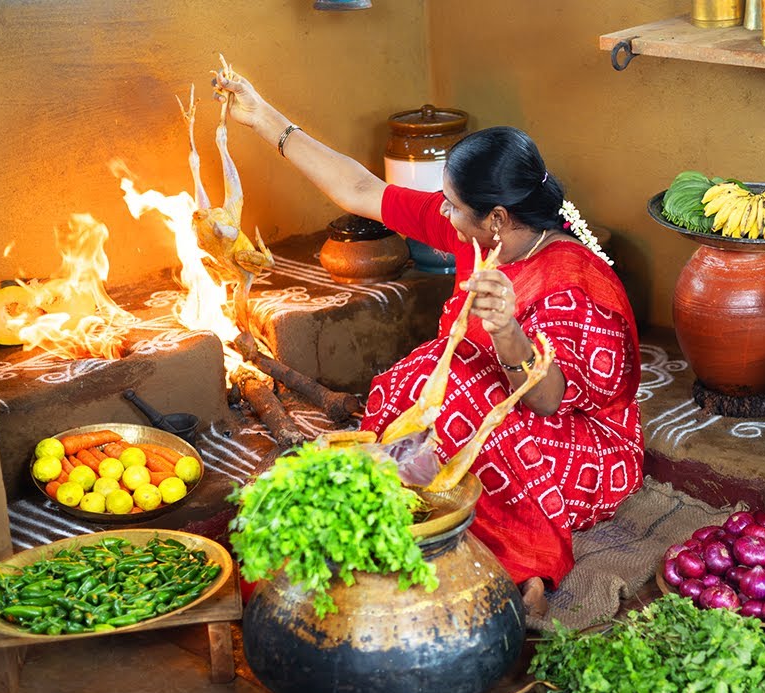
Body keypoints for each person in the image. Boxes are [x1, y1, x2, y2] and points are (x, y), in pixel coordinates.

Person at [212, 70, 644, 615]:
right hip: (497, 397)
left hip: (585, 442)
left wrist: (507, 330)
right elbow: (362, 189)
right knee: (411, 382)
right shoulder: (473, 230)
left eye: (452, 204)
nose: (441, 211)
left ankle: (520, 565)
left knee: (459, 417)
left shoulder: (573, 285)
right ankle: (420, 509)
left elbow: (547, 399)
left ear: (498, 219)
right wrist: (263, 116)